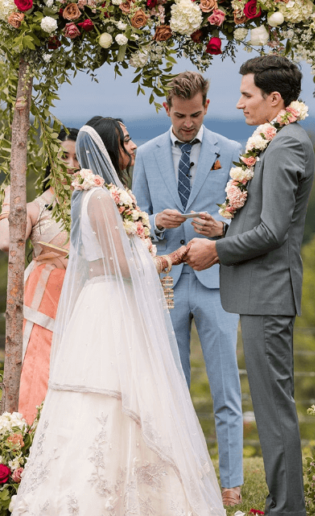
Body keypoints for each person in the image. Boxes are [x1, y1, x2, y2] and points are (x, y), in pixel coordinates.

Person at [11, 119, 226, 516]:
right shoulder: (99, 199)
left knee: (133, 394)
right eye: (127, 140)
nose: (133, 146)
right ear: (113, 148)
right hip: (108, 308)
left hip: (111, 303)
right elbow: (119, 267)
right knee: (106, 395)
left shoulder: (105, 195)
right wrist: (171, 258)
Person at [186, 55, 315, 516]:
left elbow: (274, 232)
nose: (239, 104)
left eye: (246, 95)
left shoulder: (286, 147)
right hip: (262, 292)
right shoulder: (278, 140)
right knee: (269, 405)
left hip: (269, 293)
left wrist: (216, 252)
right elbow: (260, 221)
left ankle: (287, 509)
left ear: (274, 99)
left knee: (273, 410)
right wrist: (224, 230)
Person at [133, 71, 244, 506]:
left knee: (225, 387)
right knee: (170, 388)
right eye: (180, 115)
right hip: (166, 284)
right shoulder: (146, 154)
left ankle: (231, 483)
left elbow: (245, 218)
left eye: (195, 114)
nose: (188, 123)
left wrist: (223, 227)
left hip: (216, 282)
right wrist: (153, 223)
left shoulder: (231, 152)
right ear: (166, 109)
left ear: (206, 106)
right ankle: (177, 478)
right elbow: (133, 219)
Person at [0, 128, 79, 425]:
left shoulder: (95, 205)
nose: (70, 165)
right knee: (40, 376)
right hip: (42, 306)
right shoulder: (38, 207)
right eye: (63, 157)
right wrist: (8, 202)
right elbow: (5, 241)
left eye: (77, 158)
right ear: (52, 160)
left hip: (82, 302)